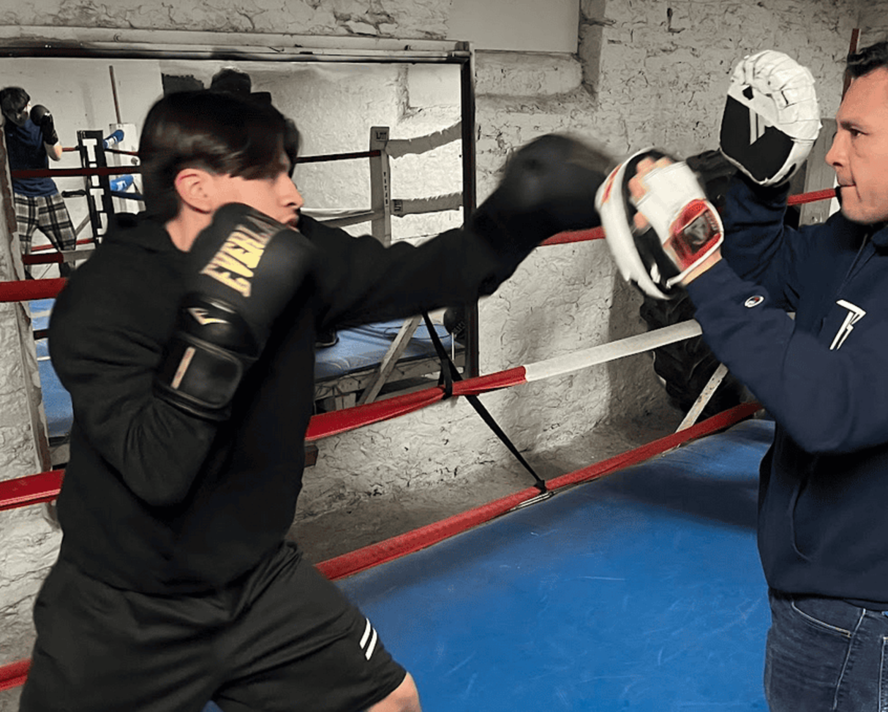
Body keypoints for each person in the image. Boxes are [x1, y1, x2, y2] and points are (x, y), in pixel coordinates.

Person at [19, 89, 610, 711]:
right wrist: (219, 328)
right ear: (196, 187)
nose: (291, 194)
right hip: (126, 606)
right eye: (268, 175)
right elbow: (156, 469)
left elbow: (430, 274)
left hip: (254, 579)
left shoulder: (297, 250)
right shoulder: (104, 300)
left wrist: (524, 213)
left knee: (391, 702)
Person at [600, 32, 888, 710]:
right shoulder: (872, 231)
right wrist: (761, 175)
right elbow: (764, 271)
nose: (834, 151)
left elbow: (832, 407)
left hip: (864, 606)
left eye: (856, 132)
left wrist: (696, 258)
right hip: (821, 570)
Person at [1, 86, 76, 278]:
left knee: (68, 243)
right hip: (19, 195)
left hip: (47, 191)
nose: (17, 117)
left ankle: (69, 292)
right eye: (11, 113)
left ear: (29, 104)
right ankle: (28, 295)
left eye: (21, 111)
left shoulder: (39, 121)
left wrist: (49, 130)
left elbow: (57, 156)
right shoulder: (4, 127)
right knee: (19, 251)